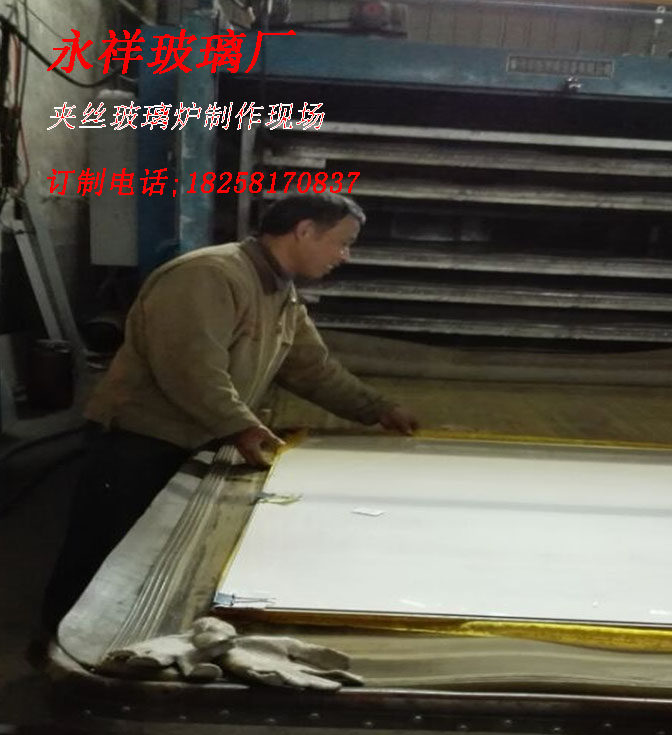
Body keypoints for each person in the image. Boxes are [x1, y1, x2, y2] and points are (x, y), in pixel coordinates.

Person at [41, 193, 418, 634]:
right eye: (342, 242)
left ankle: (125, 642)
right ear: (304, 231)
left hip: (195, 436)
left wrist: (378, 409)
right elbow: (190, 368)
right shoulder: (209, 275)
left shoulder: (278, 289)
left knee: (153, 566)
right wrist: (240, 425)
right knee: (104, 557)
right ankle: (59, 648)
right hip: (139, 442)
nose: (345, 255)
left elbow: (311, 368)